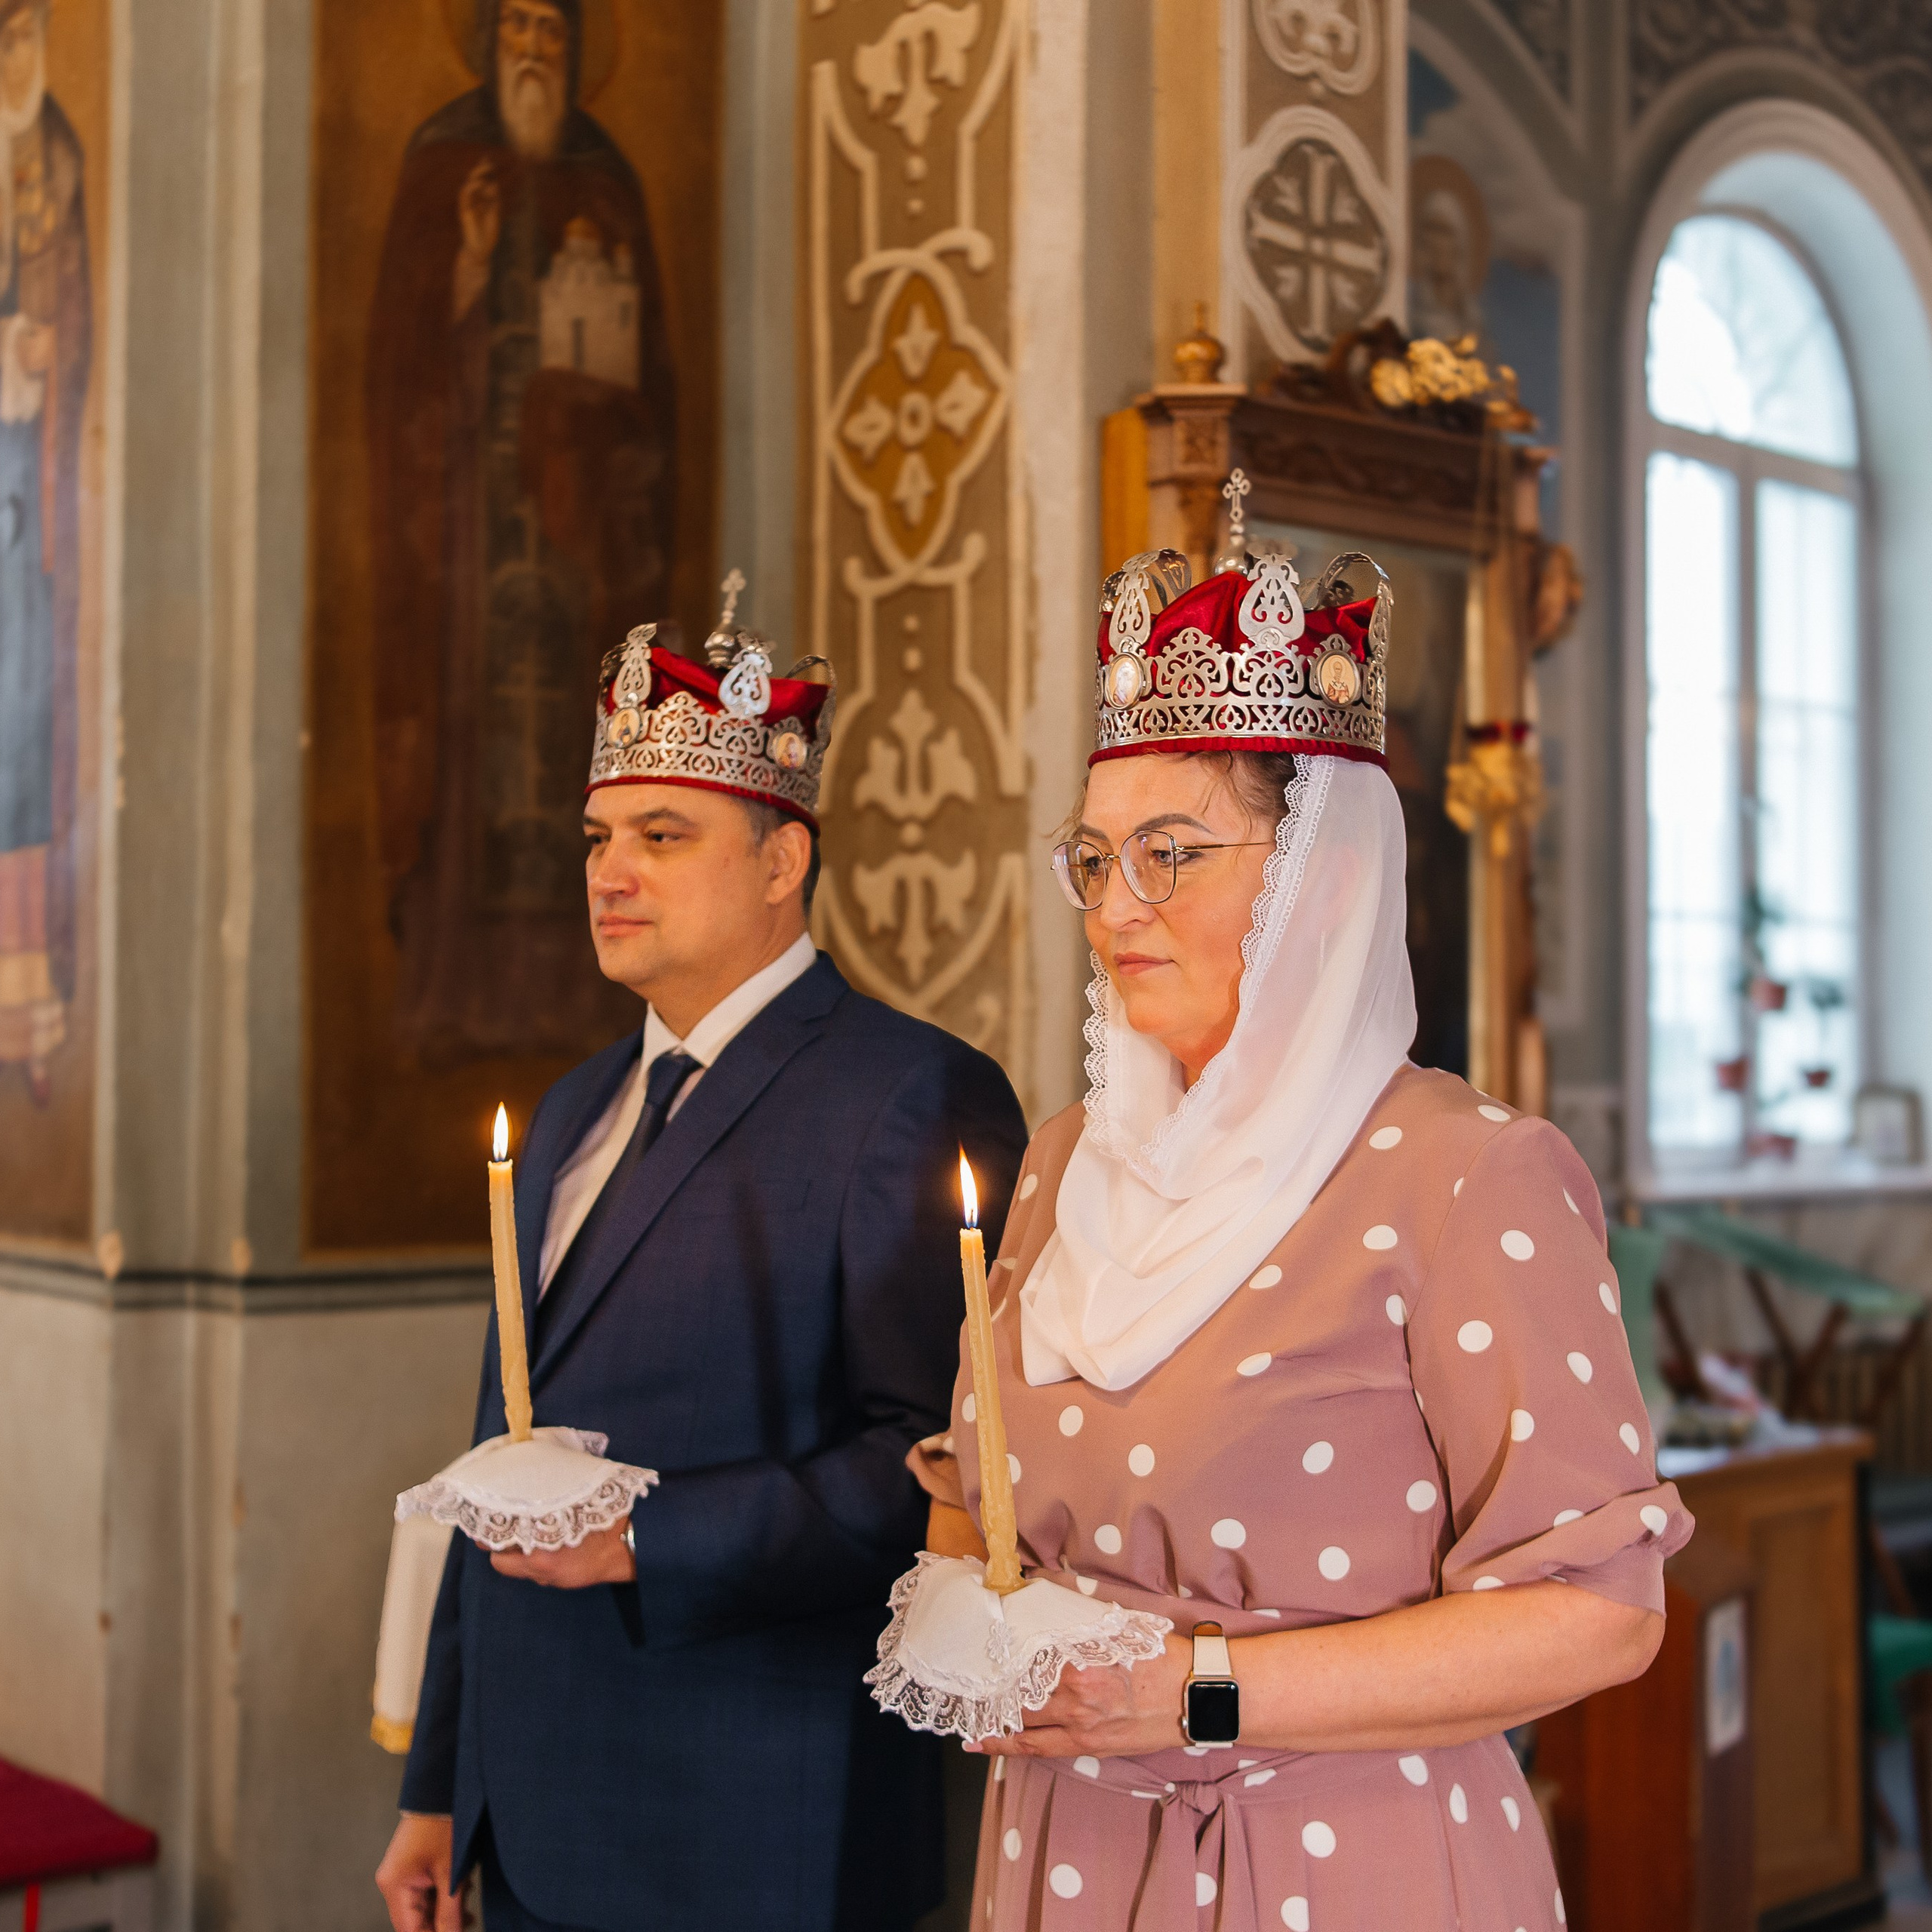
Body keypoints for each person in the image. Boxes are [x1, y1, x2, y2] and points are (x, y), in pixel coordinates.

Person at [909, 537, 1692, 1928]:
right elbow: (975, 1491)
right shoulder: (1061, 1164)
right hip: (1065, 1849)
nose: (1114, 908)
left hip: (1343, 1860)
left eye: (1172, 854)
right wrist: (968, 1608)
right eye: (1094, 860)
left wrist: (1193, 1688)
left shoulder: (1468, 1180)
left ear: (1322, 884)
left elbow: (1601, 1612)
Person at [375, 597, 1029, 1931]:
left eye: (662, 837)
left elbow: (948, 1463)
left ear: (783, 860)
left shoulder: (910, 1093)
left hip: (757, 1824)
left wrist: (651, 1538)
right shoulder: (569, 1109)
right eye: (600, 839)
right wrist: (442, 1787)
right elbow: (498, 1450)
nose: (610, 873)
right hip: (532, 1814)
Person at [367, 0, 677, 1063]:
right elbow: (399, 364)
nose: (537, 50)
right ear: (488, 41)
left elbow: (657, 394)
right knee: (469, 760)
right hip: (465, 527)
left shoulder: (605, 176)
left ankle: (569, 1003)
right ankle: (457, 992)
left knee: (567, 764)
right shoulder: (444, 164)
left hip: (579, 537)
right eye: (519, 30)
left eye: (554, 30)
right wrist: (467, 266)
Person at [0, 0, 89, 1102]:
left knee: (26, 738)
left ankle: (26, 1001)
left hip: (34, 495)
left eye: (26, 22)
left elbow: (67, 308)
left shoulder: (56, 149)